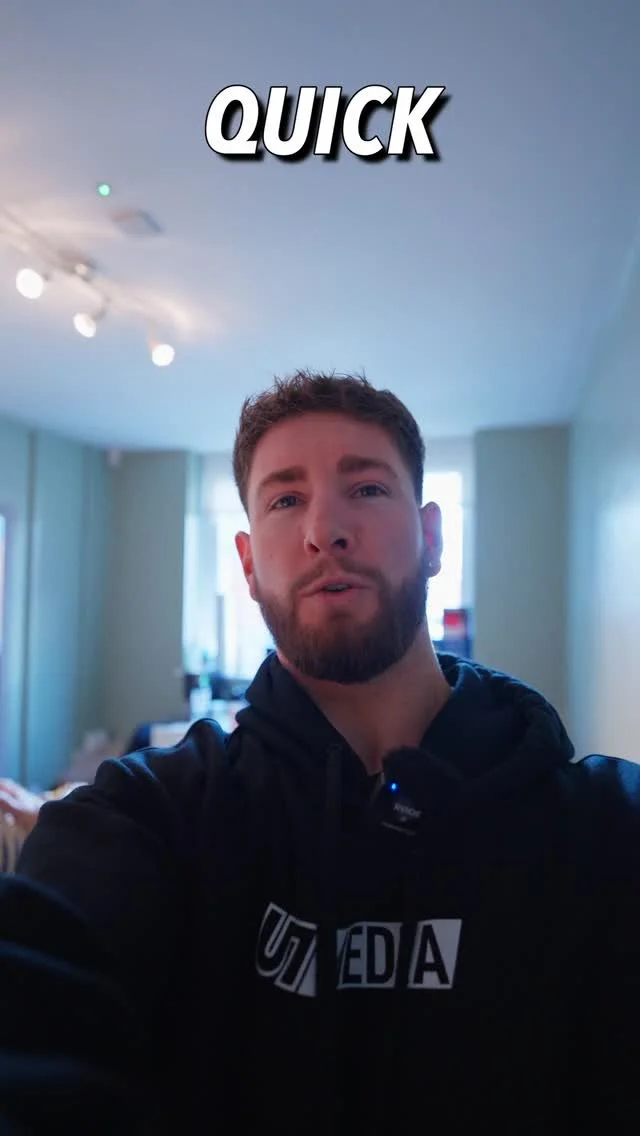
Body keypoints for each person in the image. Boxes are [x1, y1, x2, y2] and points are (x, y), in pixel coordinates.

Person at [0, 370, 639, 1135]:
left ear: (432, 538)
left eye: (366, 489)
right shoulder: (144, 819)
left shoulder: (606, 830)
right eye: (285, 500)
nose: (325, 530)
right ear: (246, 563)